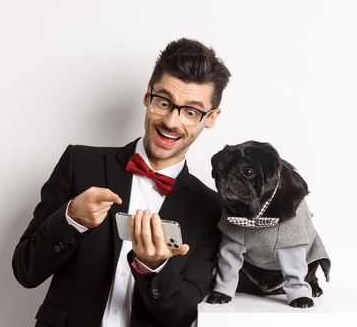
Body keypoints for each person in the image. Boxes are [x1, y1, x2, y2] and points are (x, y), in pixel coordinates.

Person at [12, 38, 231, 327]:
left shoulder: (212, 207)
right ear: (147, 96)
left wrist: (154, 268)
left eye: (191, 111)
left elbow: (184, 314)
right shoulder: (80, 163)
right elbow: (26, 270)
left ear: (211, 118)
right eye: (163, 102)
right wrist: (70, 218)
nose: (171, 121)